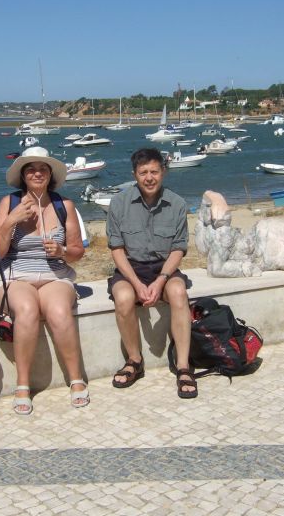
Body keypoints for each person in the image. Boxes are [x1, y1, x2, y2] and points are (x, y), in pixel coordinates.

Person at [0, 146, 88, 415]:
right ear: (22, 175)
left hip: (55, 275)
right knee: (28, 311)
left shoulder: (64, 205)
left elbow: (78, 252)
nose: (37, 172)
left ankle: (76, 378)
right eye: (30, 168)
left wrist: (63, 251)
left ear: (50, 174)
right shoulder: (9, 203)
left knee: (57, 310)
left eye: (43, 168)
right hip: (15, 276)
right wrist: (11, 221)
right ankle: (22, 385)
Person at [106, 147, 197, 398]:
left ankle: (183, 366)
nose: (149, 177)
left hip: (164, 269)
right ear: (135, 174)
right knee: (124, 298)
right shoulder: (119, 203)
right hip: (129, 269)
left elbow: (178, 249)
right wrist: (136, 283)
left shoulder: (177, 204)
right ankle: (134, 360)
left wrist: (161, 280)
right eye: (143, 172)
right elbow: (116, 249)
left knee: (178, 293)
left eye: (154, 171)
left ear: (163, 172)